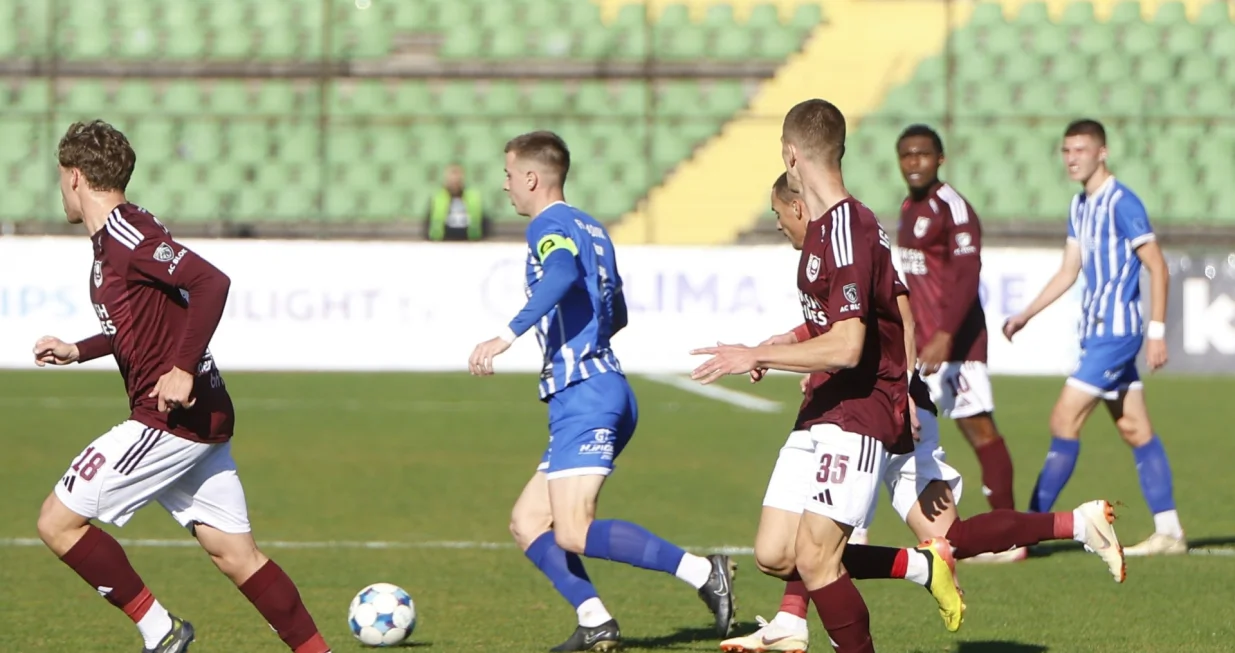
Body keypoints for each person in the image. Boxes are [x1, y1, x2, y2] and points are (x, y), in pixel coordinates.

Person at [709, 173, 1125, 653]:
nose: (780, 227)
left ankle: (885, 581)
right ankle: (1077, 524)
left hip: (886, 410)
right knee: (835, 535)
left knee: (832, 539)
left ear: (798, 205)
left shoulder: (850, 233)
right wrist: (793, 339)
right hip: (868, 407)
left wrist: (902, 389)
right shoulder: (833, 242)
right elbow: (853, 318)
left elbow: (900, 314)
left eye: (780, 217)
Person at [32, 120, 332, 653]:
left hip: (169, 417)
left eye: (60, 177)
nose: (61, 188)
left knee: (58, 523)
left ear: (74, 176)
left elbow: (210, 282)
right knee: (238, 557)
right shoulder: (123, 232)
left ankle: (161, 631)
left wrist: (184, 366)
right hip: (200, 416)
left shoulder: (128, 235)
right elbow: (141, 323)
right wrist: (81, 349)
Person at [467, 130, 736, 652]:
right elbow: (618, 311)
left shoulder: (548, 226)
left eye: (508, 175)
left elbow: (562, 273)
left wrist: (506, 335)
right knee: (528, 521)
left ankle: (704, 571)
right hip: (599, 385)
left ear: (531, 177)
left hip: (585, 393)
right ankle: (595, 619)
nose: (505, 187)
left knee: (572, 529)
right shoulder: (591, 226)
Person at [1004, 118, 1184, 557]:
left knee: (1063, 419)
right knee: (1135, 427)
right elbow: (1070, 270)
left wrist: (1157, 332)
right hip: (1095, 335)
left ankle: (1024, 536)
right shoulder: (1080, 205)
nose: (1071, 159)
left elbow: (1157, 266)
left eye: (1080, 150)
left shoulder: (1122, 202)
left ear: (1102, 153)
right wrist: (1027, 314)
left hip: (1117, 334)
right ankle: (1170, 531)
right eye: (1066, 151)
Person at [888, 123, 1022, 563]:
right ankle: (944, 531)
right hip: (923, 347)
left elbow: (967, 276)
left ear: (940, 159)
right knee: (913, 437)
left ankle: (1010, 535)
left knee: (980, 430)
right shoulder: (910, 206)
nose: (913, 163)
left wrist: (945, 334)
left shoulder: (954, 208)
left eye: (922, 155)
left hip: (957, 345)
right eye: (906, 155)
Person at [425, 163, 489, 241]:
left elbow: (483, 223)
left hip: (469, 244)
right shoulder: (438, 199)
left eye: (457, 179)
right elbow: (429, 224)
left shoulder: (473, 198)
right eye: (452, 179)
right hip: (443, 243)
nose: (454, 182)